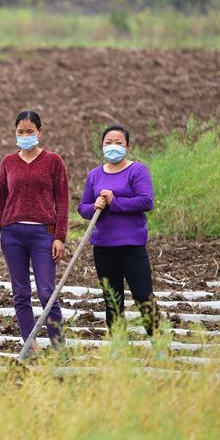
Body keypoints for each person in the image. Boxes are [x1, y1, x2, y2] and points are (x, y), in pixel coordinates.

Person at [0, 110, 69, 349]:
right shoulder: (8, 162)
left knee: (46, 291)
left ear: (40, 132)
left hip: (43, 234)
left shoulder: (54, 161)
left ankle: (58, 346)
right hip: (12, 235)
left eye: (29, 131)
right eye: (20, 132)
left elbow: (62, 201)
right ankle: (29, 346)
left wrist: (59, 236)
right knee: (20, 293)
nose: (24, 135)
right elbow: (0, 201)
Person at [77, 124, 159, 336]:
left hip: (131, 246)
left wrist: (115, 201)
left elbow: (146, 201)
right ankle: (118, 348)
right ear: (102, 146)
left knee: (143, 296)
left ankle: (159, 343)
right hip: (104, 246)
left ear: (128, 146)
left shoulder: (137, 170)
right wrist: (95, 206)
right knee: (112, 300)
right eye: (108, 143)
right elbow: (83, 208)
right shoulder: (95, 175)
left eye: (118, 143)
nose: (113, 146)